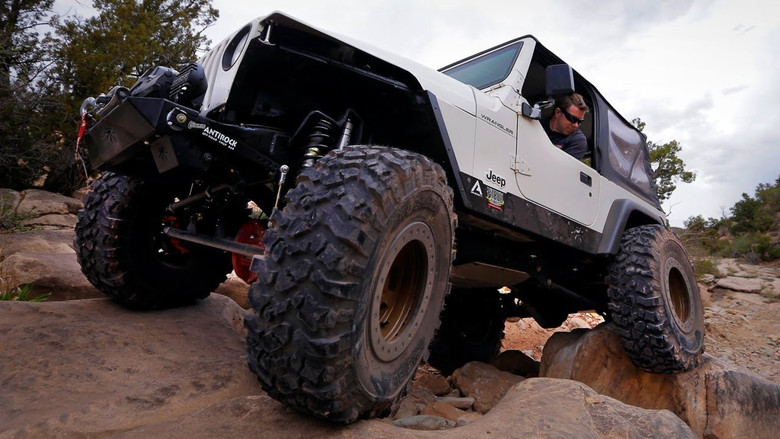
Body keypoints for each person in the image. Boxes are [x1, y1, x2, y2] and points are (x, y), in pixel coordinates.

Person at [542, 93, 589, 159]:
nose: (576, 125)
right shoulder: (537, 124)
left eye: (579, 122)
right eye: (572, 119)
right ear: (558, 112)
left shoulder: (577, 140)